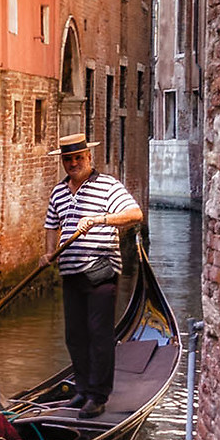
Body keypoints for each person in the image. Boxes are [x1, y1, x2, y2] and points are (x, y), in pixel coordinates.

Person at [43, 134, 143, 419]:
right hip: (70, 272)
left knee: (99, 334)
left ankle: (98, 396)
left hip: (101, 270)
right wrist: (49, 253)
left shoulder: (108, 185)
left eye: (78, 157)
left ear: (88, 157)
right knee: (75, 336)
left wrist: (100, 219)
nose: (73, 163)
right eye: (68, 159)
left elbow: (135, 214)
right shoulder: (58, 192)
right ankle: (83, 388)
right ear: (63, 162)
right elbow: (51, 224)